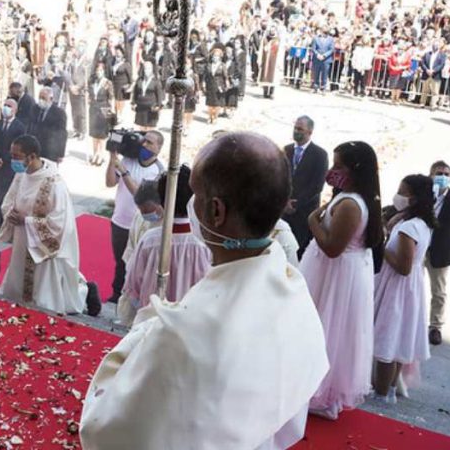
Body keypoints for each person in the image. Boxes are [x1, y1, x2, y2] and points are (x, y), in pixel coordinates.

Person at [80, 132, 328, 450]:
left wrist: (142, 335)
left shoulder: (183, 334)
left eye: (194, 193)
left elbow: (109, 429)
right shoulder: (293, 286)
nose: (189, 203)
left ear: (215, 212)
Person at [299, 141, 383, 420]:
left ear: (354, 170)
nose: (333, 171)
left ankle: (324, 393)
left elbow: (333, 247)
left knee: (330, 329)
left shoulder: (351, 204)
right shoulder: (344, 196)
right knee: (320, 327)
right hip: (331, 272)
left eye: (338, 166)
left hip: (337, 275)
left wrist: (312, 222)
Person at [0, 135, 99, 316]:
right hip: (23, 239)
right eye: (12, 155)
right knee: (17, 291)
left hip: (41, 248)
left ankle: (84, 290)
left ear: (32, 156)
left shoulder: (54, 183)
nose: (13, 160)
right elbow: (9, 201)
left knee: (47, 299)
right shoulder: (21, 175)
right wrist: (11, 214)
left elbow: (60, 222)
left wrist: (27, 221)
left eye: (17, 156)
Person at [373, 174, 436, 403]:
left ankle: (381, 391)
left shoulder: (410, 227)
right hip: (408, 288)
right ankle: (388, 389)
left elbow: (403, 266)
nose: (398, 195)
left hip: (397, 288)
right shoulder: (418, 223)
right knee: (398, 337)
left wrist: (381, 247)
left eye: (403, 191)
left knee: (388, 338)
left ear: (415, 198)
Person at [121, 166, 211, 326]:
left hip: (150, 325)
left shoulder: (149, 241)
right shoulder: (204, 245)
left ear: (162, 201)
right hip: (187, 327)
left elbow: (133, 287)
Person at [105, 131, 165, 304]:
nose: (144, 145)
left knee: (135, 264)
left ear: (159, 148)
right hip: (119, 220)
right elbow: (109, 183)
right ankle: (116, 295)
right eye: (144, 141)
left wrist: (124, 172)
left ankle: (131, 298)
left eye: (150, 143)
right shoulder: (128, 161)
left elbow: (141, 195)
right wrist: (112, 159)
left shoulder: (159, 172)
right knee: (120, 261)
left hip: (141, 225)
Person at [425, 161, 450, 345]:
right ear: (431, 174)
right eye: (438, 172)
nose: (442, 176)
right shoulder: (423, 196)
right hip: (416, 247)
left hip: (440, 252)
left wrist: (446, 244)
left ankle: (435, 327)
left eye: (446, 174)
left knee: (438, 292)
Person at [283, 116, 328, 258]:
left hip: (304, 212)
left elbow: (317, 185)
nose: (296, 131)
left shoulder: (320, 154)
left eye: (300, 129)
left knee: (298, 251)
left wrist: (296, 203)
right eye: (295, 128)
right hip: (284, 210)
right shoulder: (287, 150)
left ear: (310, 132)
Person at [0, 99, 26, 231]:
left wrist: (4, 159)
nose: (6, 108)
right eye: (4, 105)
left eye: (9, 106)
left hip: (10, 167)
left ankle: (9, 224)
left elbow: (18, 147)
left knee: (10, 196)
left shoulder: (19, 126)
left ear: (15, 109)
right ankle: (0, 221)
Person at [31, 86, 68, 163]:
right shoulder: (35, 109)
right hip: (36, 149)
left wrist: (60, 154)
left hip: (51, 150)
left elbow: (62, 134)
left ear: (51, 99)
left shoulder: (59, 113)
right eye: (40, 98)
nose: (41, 100)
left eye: (44, 98)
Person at [87, 64, 114, 166]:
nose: (99, 72)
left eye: (101, 70)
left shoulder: (108, 83)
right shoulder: (93, 82)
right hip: (94, 108)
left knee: (102, 134)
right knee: (94, 134)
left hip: (104, 108)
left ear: (104, 71)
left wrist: (111, 112)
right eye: (97, 70)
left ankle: (101, 155)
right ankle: (95, 154)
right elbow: (90, 95)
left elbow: (111, 97)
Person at [131, 61, 163, 131]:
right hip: (141, 106)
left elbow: (159, 95)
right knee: (141, 127)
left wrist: (158, 105)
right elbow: (135, 92)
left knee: (149, 128)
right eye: (145, 68)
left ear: (152, 69)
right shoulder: (139, 80)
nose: (147, 70)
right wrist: (133, 103)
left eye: (149, 68)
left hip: (151, 108)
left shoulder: (156, 81)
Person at [420, 41, 446, 108]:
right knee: (424, 90)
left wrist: (433, 71)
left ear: (439, 46)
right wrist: (426, 70)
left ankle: (433, 105)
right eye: (434, 45)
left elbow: (441, 65)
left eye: (437, 45)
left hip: (435, 75)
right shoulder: (427, 54)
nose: (435, 46)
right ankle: (422, 103)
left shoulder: (442, 55)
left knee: (435, 91)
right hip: (426, 74)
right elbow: (422, 63)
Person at [310, 26, 335, 94]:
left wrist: (324, 55)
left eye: (326, 31)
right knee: (316, 73)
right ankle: (315, 87)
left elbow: (331, 49)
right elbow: (313, 48)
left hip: (326, 59)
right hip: (317, 58)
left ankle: (323, 88)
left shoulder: (331, 39)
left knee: (325, 74)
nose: (325, 32)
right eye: (323, 30)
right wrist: (317, 55)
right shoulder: (316, 38)